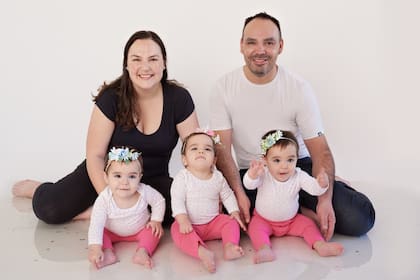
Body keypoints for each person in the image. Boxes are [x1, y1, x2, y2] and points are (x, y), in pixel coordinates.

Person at [209, 12, 375, 240]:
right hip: (254, 174)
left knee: (359, 218)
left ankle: (313, 199)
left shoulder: (298, 88)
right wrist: (237, 193)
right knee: (217, 220)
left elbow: (321, 151)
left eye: (269, 43)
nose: (260, 50)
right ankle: (301, 213)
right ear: (241, 46)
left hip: (296, 169)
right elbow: (221, 150)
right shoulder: (223, 88)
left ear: (280, 46)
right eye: (252, 42)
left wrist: (325, 199)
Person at [12, 30, 199, 225]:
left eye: (153, 59)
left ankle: (95, 212)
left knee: (190, 210)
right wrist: (111, 201)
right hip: (107, 175)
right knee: (50, 209)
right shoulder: (111, 98)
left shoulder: (179, 98)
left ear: (164, 63)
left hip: (152, 179)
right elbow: (95, 155)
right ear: (126, 64)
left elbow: (196, 150)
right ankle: (39, 188)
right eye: (136, 59)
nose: (145, 67)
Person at [244, 130, 343, 264]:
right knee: (254, 228)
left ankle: (320, 245)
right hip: (263, 220)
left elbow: (314, 189)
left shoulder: (299, 175)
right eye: (277, 160)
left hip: (291, 221)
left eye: (290, 159)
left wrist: (322, 184)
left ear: (297, 158)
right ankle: (264, 248)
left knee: (308, 225)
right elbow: (249, 185)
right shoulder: (264, 173)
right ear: (265, 160)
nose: (284, 166)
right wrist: (252, 174)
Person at [170, 130, 246, 273]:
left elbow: (227, 195)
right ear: (184, 159)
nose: (201, 151)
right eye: (194, 148)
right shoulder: (183, 178)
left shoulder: (218, 177)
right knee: (176, 230)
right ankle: (201, 251)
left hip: (213, 222)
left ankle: (230, 246)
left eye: (207, 149)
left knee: (230, 222)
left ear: (214, 160)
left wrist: (234, 212)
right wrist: (182, 219)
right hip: (190, 225)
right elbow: (177, 199)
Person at [88, 146, 165, 269]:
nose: (125, 182)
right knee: (99, 232)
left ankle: (143, 252)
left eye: (132, 176)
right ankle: (108, 252)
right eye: (118, 176)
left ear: (140, 177)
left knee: (154, 232)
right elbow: (96, 224)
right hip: (111, 232)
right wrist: (95, 248)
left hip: (140, 230)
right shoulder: (104, 199)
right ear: (106, 177)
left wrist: (156, 220)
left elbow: (158, 201)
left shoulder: (144, 191)